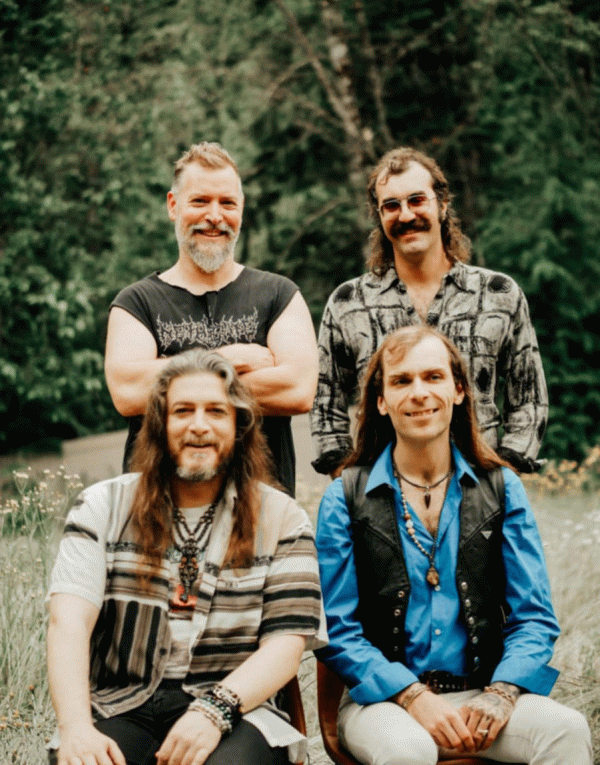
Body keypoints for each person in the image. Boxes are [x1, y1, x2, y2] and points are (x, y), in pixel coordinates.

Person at [315, 326, 591, 764]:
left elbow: (534, 618)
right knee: (408, 749)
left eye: (433, 377)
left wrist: (502, 693)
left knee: (566, 729)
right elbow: (337, 630)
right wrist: (411, 695)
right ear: (381, 401)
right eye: (402, 381)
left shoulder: (502, 488)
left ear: (459, 390)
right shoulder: (344, 497)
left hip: (484, 693)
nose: (419, 393)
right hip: (382, 705)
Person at [47, 349, 324, 765]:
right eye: (182, 411)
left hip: (237, 706)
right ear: (159, 425)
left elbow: (285, 645)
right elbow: (68, 623)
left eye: (216, 411)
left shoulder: (282, 518)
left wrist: (215, 710)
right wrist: (75, 729)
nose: (199, 425)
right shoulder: (101, 506)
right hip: (118, 704)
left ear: (238, 426)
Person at [310, 146, 547, 478]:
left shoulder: (497, 295)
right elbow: (325, 405)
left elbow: (529, 400)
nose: (406, 215)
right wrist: (350, 481)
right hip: (381, 494)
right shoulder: (348, 303)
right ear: (379, 215)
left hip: (480, 489)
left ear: (443, 204)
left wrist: (503, 478)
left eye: (417, 200)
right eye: (391, 206)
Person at [105, 142, 318, 495]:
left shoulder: (280, 295)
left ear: (241, 209)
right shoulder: (135, 303)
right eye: (200, 201)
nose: (215, 216)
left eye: (227, 203)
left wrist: (171, 379)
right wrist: (230, 359)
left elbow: (297, 390)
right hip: (160, 511)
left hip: (262, 511)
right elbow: (128, 393)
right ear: (173, 206)